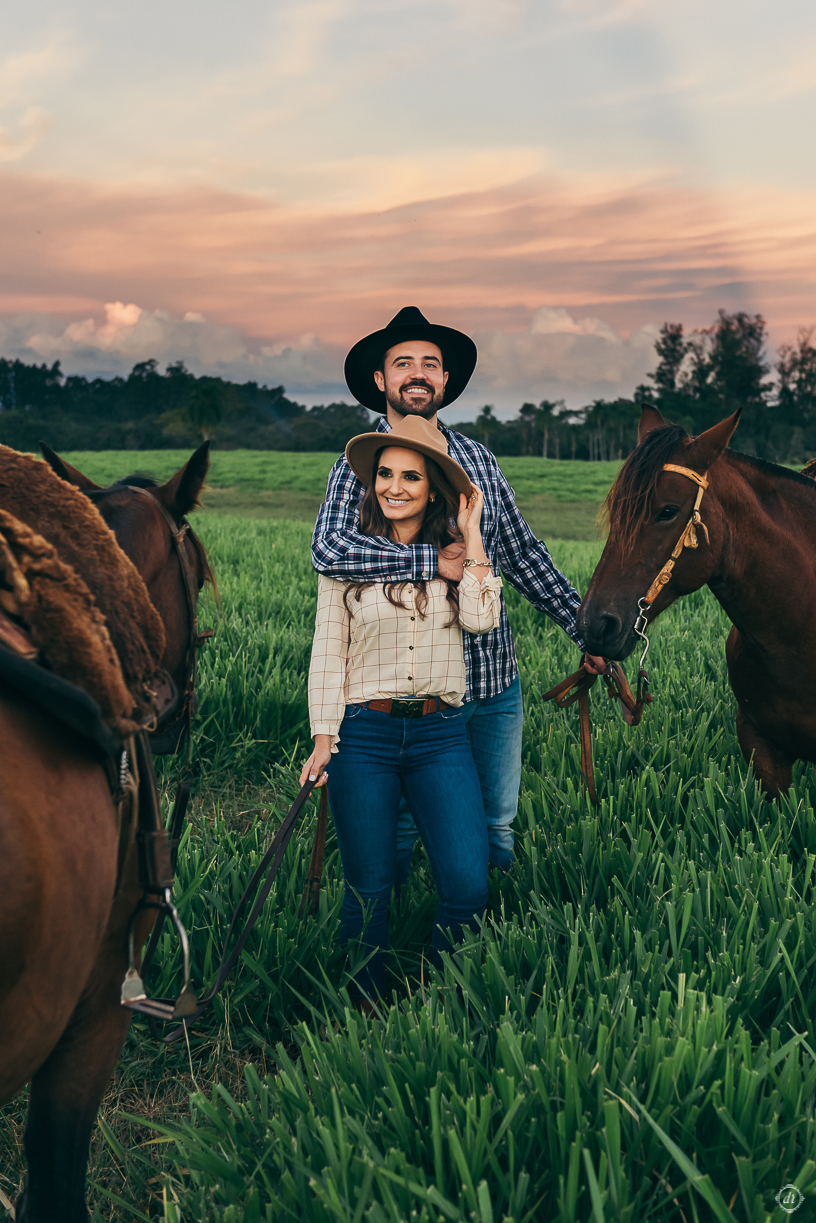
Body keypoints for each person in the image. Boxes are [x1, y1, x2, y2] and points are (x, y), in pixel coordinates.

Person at [312, 306, 606, 881]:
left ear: (445, 381)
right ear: (381, 380)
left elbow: (520, 553)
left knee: (496, 823)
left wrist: (582, 627)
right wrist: (441, 563)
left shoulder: (478, 461)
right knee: (395, 828)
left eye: (430, 364)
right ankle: (391, 938)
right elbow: (332, 553)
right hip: (397, 687)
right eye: (403, 364)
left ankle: (483, 945)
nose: (417, 374)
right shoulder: (359, 464)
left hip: (490, 679)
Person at [301, 414, 502, 1002]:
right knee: (369, 887)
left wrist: (476, 537)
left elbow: (483, 619)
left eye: (410, 477)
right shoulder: (348, 560)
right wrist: (323, 738)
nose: (393, 487)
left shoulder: (458, 555)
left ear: (433, 487)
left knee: (467, 884)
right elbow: (326, 648)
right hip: (364, 735)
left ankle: (436, 996)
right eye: (384, 474)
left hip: (441, 735)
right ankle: (359, 1008)